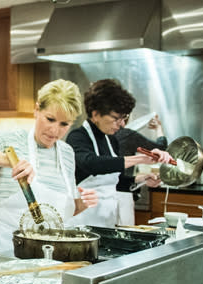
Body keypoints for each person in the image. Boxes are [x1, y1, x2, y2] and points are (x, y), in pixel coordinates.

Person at [0, 79, 98, 256]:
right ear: (36, 109)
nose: (55, 131)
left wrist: (82, 203)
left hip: (41, 254)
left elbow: (58, 216)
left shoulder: (67, 154)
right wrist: (9, 161)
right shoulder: (11, 140)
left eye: (64, 124)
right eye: (50, 119)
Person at [66, 79, 171, 227]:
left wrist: (141, 180)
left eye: (124, 118)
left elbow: (116, 183)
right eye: (116, 118)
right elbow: (91, 163)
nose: (121, 124)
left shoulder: (112, 140)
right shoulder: (77, 137)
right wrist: (139, 159)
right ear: (96, 114)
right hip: (80, 225)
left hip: (107, 224)